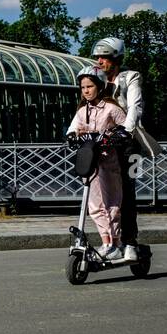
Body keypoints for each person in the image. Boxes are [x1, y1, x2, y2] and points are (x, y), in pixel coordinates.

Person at [92, 36, 161, 264]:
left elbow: (135, 107)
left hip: (128, 144)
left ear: (117, 59)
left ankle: (130, 242)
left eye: (105, 57)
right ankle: (110, 242)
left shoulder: (130, 77)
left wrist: (126, 130)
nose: (99, 61)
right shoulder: (95, 80)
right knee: (103, 194)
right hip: (104, 143)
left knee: (127, 193)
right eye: (97, 57)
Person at [66, 67, 128, 261]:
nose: (85, 91)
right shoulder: (82, 111)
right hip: (90, 162)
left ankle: (116, 244)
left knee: (112, 204)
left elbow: (127, 130)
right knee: (94, 205)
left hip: (108, 162)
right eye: (83, 87)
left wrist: (115, 135)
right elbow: (71, 131)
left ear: (100, 86)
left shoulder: (111, 108)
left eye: (90, 86)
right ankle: (106, 242)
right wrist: (72, 137)